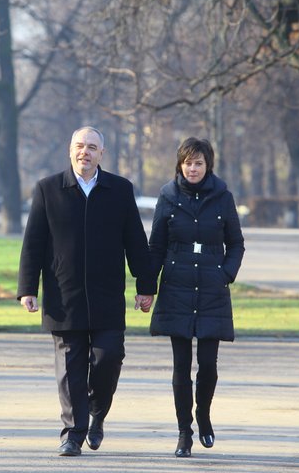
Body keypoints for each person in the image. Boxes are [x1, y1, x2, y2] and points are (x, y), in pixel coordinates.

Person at [17, 126, 155, 457]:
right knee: (70, 369)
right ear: (70, 150)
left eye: (92, 147)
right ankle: (72, 433)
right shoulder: (48, 189)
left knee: (108, 359)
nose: (85, 152)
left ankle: (97, 412)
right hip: (64, 298)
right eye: (79, 146)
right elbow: (33, 243)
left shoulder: (120, 190)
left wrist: (146, 286)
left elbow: (135, 241)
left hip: (107, 297)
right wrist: (27, 288)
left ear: (101, 154)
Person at [147, 137, 245, 458]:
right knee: (180, 367)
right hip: (177, 288)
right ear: (180, 164)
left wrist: (225, 273)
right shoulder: (167, 197)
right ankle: (183, 432)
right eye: (188, 162)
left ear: (208, 165)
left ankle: (203, 414)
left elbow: (236, 244)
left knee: (208, 366)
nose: (193, 168)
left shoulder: (223, 197)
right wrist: (147, 285)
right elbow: (156, 246)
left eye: (199, 163)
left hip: (212, 291)